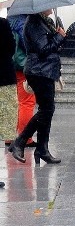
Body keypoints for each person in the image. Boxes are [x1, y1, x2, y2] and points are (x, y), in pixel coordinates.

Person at [7, 9, 66, 164]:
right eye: (49, 5)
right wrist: (59, 37)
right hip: (39, 71)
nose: (52, 9)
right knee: (46, 110)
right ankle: (20, 141)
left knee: (47, 110)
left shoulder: (43, 22)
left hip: (45, 70)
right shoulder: (33, 23)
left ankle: (42, 149)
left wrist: (59, 35)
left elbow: (49, 46)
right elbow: (42, 50)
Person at [8, 15, 35, 147]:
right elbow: (28, 45)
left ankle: (9, 136)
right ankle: (26, 137)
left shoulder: (7, 21)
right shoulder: (23, 23)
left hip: (9, 65)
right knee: (27, 101)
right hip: (23, 65)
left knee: (13, 101)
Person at [0, 17, 18, 149]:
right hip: (3, 72)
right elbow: (11, 46)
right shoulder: (3, 23)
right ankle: (9, 138)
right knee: (8, 107)